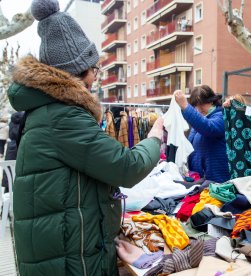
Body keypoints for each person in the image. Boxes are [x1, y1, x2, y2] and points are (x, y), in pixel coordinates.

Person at [8, 0, 164, 275]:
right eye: (95, 69)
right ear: (78, 70)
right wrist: (154, 138)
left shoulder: (48, 110)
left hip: (59, 248)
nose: (96, 77)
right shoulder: (63, 116)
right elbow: (126, 167)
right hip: (68, 259)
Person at [174, 85, 230, 183]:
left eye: (202, 104)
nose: (199, 108)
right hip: (200, 179)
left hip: (217, 180)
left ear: (211, 101)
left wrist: (186, 106)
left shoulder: (221, 116)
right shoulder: (201, 117)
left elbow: (207, 127)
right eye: (196, 105)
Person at [1, 111, 24, 193]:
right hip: (20, 146)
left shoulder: (12, 122)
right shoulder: (24, 123)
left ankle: (5, 204)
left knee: (9, 182)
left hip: (11, 147)